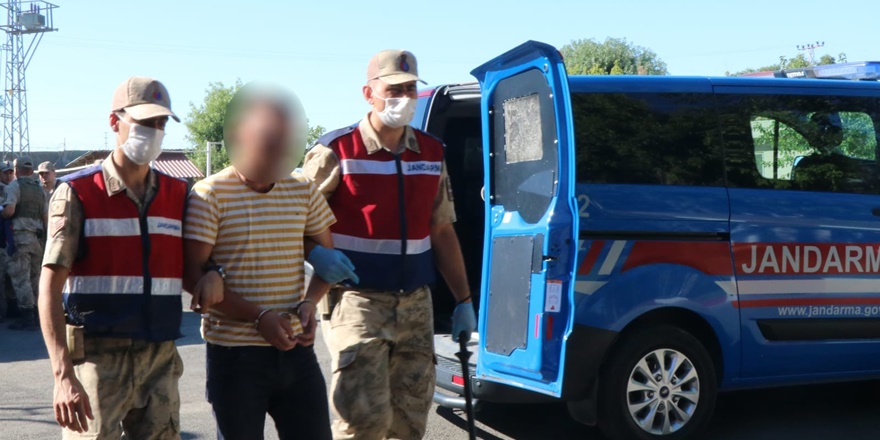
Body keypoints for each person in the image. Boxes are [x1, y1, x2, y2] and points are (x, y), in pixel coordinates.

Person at [303, 49, 477, 440]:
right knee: (362, 422)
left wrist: (463, 300)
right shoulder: (335, 150)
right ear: (369, 93)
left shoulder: (431, 152)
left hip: (416, 304)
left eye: (411, 88)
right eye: (394, 89)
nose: (404, 97)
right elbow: (292, 218)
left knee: (409, 424)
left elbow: (442, 230)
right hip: (357, 303)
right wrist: (314, 254)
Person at [38, 76, 222, 439]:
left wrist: (214, 273)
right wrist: (62, 376)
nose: (154, 131)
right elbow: (49, 287)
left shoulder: (178, 193)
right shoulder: (77, 192)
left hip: (160, 358)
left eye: (161, 123)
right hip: (97, 360)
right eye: (145, 122)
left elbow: (192, 267)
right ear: (114, 122)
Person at [184, 83, 338, 440]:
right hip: (235, 357)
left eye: (283, 146)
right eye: (268, 145)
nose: (277, 157)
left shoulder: (302, 188)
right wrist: (259, 316)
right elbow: (191, 276)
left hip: (297, 353)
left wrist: (309, 303)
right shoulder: (210, 194)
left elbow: (328, 261)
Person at [4, 156, 47, 331]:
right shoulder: (39, 188)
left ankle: (27, 316)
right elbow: (45, 217)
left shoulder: (15, 186)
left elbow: (9, 211)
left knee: (21, 278)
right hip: (37, 239)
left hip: (21, 238)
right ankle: (37, 314)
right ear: (32, 171)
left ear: (16, 170)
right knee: (35, 278)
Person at [0, 161, 14, 323]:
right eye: (5, 172)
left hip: (11, 240)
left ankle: (12, 310)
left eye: (11, 172)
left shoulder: (15, 189)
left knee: (12, 277)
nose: (8, 175)